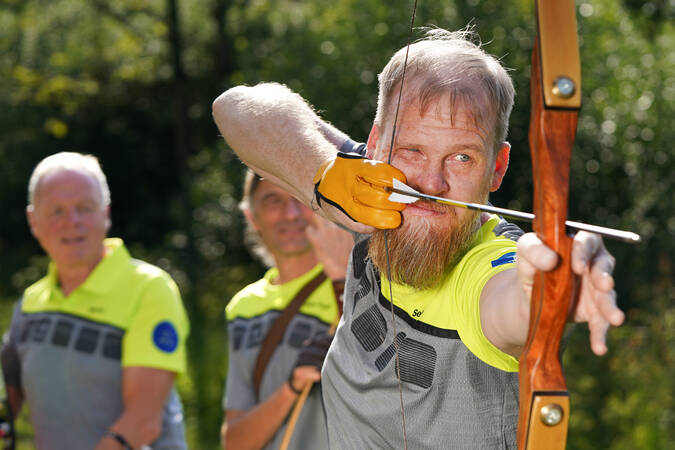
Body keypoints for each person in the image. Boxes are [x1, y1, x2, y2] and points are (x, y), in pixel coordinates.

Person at [212, 27, 625, 448]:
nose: (431, 182)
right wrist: (324, 179)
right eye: (412, 150)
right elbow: (236, 107)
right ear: (375, 145)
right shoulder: (366, 192)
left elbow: (513, 300)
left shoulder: (485, 265)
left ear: (497, 168)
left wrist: (551, 285)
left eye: (462, 157)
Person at [0, 152, 189, 450]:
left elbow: (142, 422)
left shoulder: (149, 288)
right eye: (56, 211)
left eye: (85, 207)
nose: (72, 222)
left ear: (106, 213)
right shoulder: (29, 305)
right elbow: (7, 403)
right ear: (33, 221)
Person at [220, 170, 353, 449]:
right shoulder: (243, 308)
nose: (291, 213)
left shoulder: (353, 281)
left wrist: (343, 280)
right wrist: (290, 387)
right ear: (251, 217)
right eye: (273, 201)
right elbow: (235, 442)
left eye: (299, 198)